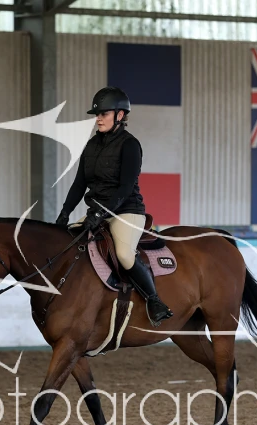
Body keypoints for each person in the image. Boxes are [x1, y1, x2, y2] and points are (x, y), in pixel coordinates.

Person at [55, 86, 174, 327]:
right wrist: (64, 214)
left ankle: (154, 301)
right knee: (68, 244)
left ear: (120, 115)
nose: (98, 119)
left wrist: (101, 213)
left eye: (104, 114)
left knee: (123, 254)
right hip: (97, 212)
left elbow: (125, 187)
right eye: (97, 115)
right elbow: (79, 184)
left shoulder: (130, 145)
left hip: (126, 211)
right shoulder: (91, 146)